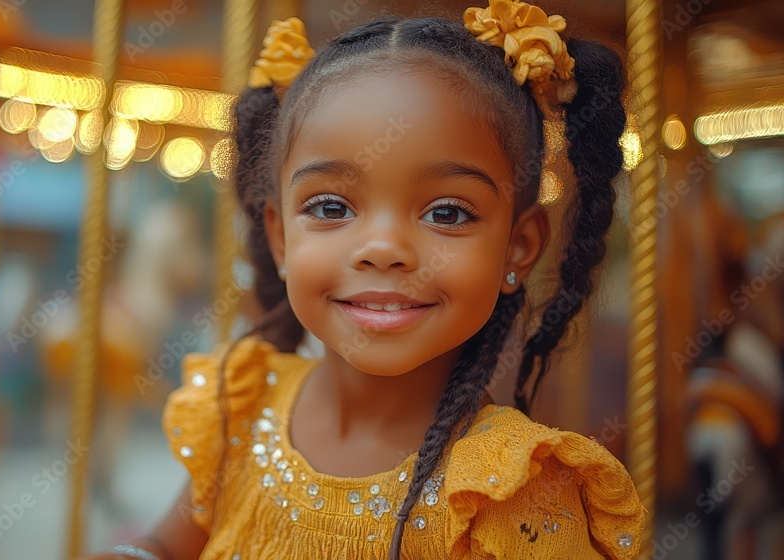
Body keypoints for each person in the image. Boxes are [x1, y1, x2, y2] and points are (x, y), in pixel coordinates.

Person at [88, 1, 644, 558]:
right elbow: (163, 547)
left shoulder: (512, 495)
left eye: (447, 213)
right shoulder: (244, 411)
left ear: (518, 248)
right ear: (281, 239)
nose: (383, 250)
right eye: (331, 207)